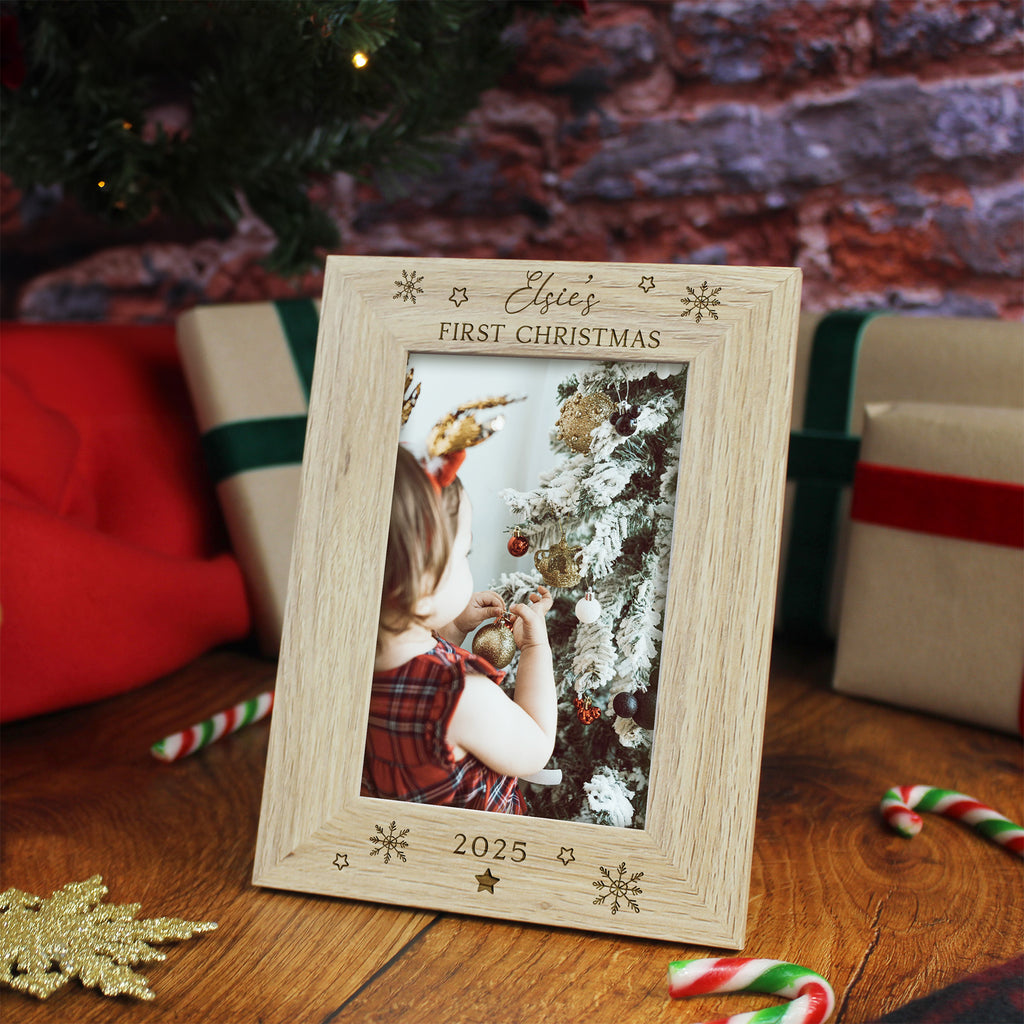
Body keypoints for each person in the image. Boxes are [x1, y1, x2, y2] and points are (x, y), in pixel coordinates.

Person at [362, 445, 556, 814]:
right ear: (420, 594)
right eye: (464, 555)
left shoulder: (354, 666)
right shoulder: (461, 697)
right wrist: (535, 650)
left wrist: (449, 627)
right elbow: (536, 747)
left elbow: (410, 682)